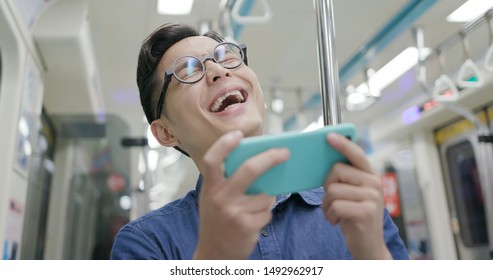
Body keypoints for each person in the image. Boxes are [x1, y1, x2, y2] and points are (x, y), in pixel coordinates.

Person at [110, 23, 409, 260]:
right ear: (166, 133)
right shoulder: (147, 244)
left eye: (225, 57)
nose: (218, 70)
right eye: (187, 71)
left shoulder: (353, 204)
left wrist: (374, 256)